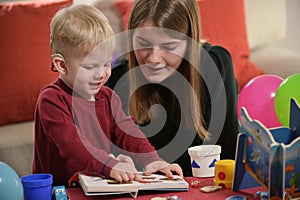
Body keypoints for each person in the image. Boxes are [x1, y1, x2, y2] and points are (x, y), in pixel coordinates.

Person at [32, 4, 182, 186]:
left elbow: (128, 133)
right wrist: (110, 164)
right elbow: (73, 145)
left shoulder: (108, 97)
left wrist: (152, 159)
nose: (101, 73)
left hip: (96, 187)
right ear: (62, 65)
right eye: (90, 67)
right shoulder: (52, 100)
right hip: (60, 191)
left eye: (105, 64)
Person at [107, 0, 239, 177]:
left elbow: (229, 159)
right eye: (143, 43)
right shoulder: (116, 79)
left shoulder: (215, 66)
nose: (153, 58)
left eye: (169, 47)